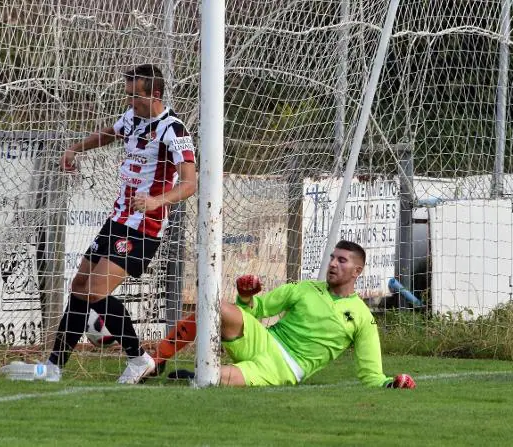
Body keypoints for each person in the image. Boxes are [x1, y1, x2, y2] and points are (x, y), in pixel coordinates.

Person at [48, 64, 197, 384]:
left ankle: (138, 358)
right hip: (118, 219)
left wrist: (158, 201)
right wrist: (76, 148)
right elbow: (110, 133)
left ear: (154, 95)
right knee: (79, 288)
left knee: (96, 292)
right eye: (127, 95)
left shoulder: (174, 130)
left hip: (145, 227)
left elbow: (189, 183)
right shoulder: (131, 118)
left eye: (135, 96)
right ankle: (53, 366)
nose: (130, 102)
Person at [155, 240, 416, 389]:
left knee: (211, 380)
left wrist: (392, 384)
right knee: (216, 307)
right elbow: (254, 310)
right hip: (263, 339)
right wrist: (246, 296)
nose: (333, 264)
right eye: (333, 258)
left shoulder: (363, 317)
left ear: (357, 271)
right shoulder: (304, 288)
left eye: (342, 261)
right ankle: (158, 358)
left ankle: (199, 377)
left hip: (284, 367)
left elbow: (371, 375)